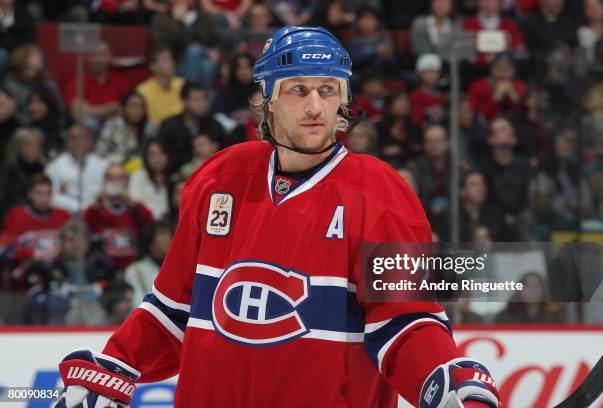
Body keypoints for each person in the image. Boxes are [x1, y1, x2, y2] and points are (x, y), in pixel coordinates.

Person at [54, 26, 499, 408]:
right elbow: (175, 308)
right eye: (298, 89)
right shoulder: (219, 178)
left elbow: (404, 321)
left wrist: (439, 377)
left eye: (329, 90)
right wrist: (116, 364)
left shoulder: (381, 196)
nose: (315, 107)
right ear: (267, 100)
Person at [84, 164, 154, 271]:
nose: (115, 181)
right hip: (106, 269)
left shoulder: (134, 206)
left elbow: (149, 222)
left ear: (126, 181)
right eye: (111, 178)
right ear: (104, 182)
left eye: (120, 178)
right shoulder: (97, 208)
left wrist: (130, 201)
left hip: (134, 268)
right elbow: (86, 227)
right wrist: (97, 203)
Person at [158, 81, 224, 172]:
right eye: (196, 100)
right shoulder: (170, 126)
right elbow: (165, 157)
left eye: (204, 99)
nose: (202, 104)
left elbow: (224, 154)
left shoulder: (214, 125)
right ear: (184, 101)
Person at [63, 41, 129, 131]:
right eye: (93, 54)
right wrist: (112, 107)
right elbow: (77, 112)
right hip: (85, 138)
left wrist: (89, 110)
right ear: (87, 57)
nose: (97, 59)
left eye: (102, 55)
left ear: (110, 57)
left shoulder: (121, 83)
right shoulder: (75, 83)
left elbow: (125, 113)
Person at [44, 125, 109, 214]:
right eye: (74, 138)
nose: (79, 143)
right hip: (68, 216)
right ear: (67, 142)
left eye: (83, 138)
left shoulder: (103, 165)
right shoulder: (54, 167)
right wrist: (82, 208)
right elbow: (51, 197)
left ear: (91, 141)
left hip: (99, 213)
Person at [95, 91, 158, 167]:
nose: (138, 110)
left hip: (143, 171)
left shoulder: (150, 129)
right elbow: (99, 152)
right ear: (124, 108)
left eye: (141, 107)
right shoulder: (112, 126)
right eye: (133, 106)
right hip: (114, 169)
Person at [124, 221, 173, 309]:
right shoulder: (135, 270)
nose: (169, 239)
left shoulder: (180, 269)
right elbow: (138, 304)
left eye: (170, 234)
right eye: (163, 234)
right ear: (150, 240)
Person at [136, 46, 185, 126]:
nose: (171, 63)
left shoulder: (183, 84)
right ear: (153, 67)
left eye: (171, 59)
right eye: (165, 60)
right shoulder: (142, 92)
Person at [128, 139, 171, 220]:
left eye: (161, 153)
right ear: (146, 158)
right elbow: (136, 203)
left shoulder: (173, 178)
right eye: (152, 154)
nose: (157, 158)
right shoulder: (138, 176)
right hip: (146, 223)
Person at [409, 53, 447, 127]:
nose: (431, 75)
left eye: (434, 72)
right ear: (420, 74)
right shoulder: (416, 95)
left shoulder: (443, 95)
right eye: (427, 72)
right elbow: (417, 120)